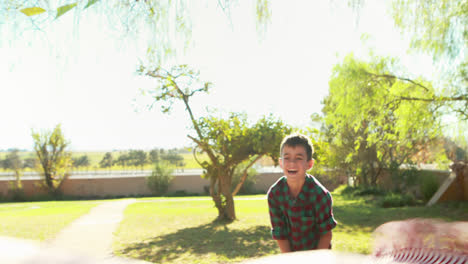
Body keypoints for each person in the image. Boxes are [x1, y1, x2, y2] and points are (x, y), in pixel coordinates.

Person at [267, 133, 337, 252]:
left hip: (318, 256)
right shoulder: (275, 194)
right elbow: (280, 234)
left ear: (309, 164)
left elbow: (325, 234)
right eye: (287, 158)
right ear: (280, 162)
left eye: (298, 158)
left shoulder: (320, 195)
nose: (292, 163)